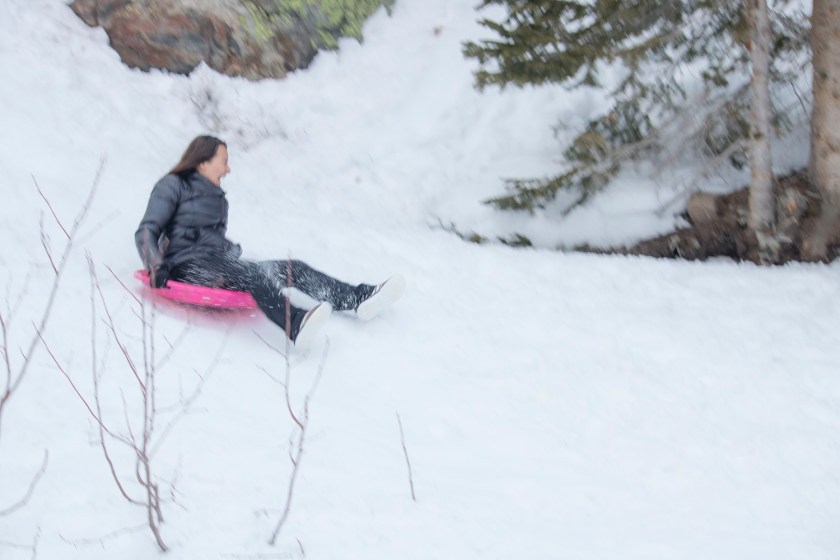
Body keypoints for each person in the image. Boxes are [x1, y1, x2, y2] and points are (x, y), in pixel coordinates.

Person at [135, 135, 404, 348]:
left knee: (293, 268)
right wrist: (156, 265)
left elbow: (208, 236)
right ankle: (295, 323)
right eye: (223, 160)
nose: (228, 169)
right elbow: (147, 229)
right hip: (186, 266)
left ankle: (357, 298)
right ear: (203, 161)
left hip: (219, 264)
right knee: (253, 273)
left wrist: (227, 250)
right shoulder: (172, 185)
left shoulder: (218, 198)